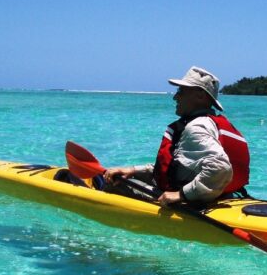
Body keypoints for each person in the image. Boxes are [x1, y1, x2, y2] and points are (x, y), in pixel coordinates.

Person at [104, 66, 250, 207]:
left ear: (200, 96)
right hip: (225, 195)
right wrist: (134, 170)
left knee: (111, 183)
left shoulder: (195, 128)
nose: (175, 97)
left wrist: (181, 195)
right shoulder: (210, 123)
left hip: (190, 202)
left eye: (181, 91)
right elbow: (178, 167)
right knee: (125, 176)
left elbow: (220, 168)